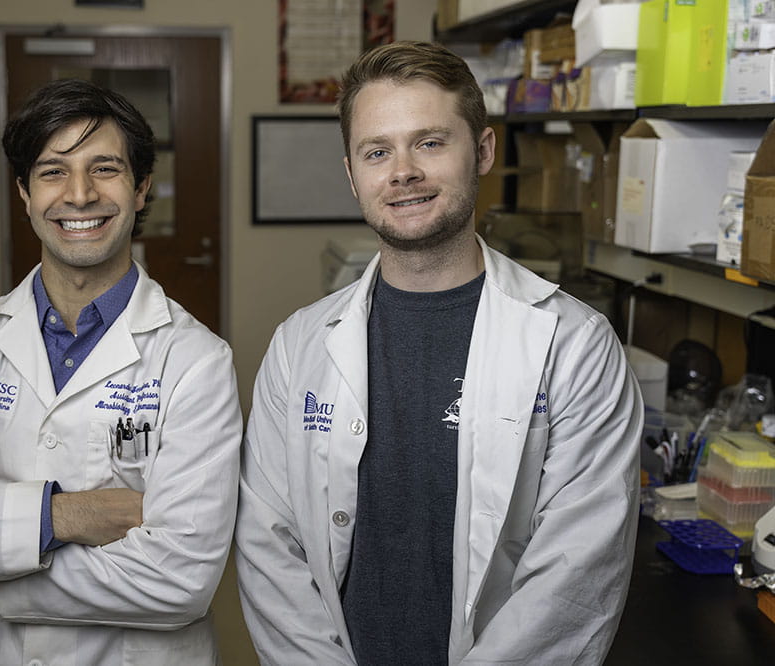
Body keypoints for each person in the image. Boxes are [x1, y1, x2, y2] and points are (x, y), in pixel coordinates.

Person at [235, 41, 643, 665]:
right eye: (377, 152)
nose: (402, 172)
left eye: (429, 142)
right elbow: (269, 552)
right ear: (353, 175)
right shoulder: (300, 346)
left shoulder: (575, 345)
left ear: (481, 151)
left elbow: (576, 576)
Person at [0, 79, 242, 665]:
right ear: (25, 193)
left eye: (104, 168)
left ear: (140, 190)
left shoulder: (196, 361)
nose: (79, 194)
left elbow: (179, 581)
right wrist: (60, 515)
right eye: (53, 170)